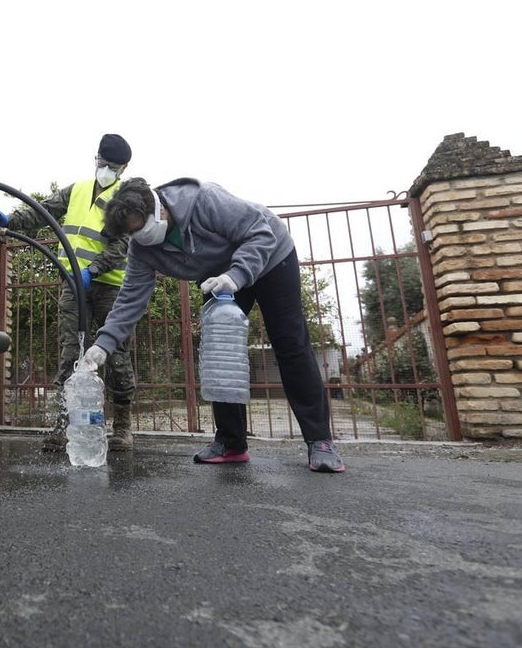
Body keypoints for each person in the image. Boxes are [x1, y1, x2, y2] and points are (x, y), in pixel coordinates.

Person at [79, 177, 346, 473]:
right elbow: (131, 298)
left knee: (290, 345)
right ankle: (231, 443)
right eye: (131, 233)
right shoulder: (142, 249)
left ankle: (320, 440)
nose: (138, 236)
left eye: (139, 227)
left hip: (270, 257)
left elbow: (261, 232)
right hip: (221, 276)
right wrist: (104, 343)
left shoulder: (204, 200)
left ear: (160, 210)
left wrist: (237, 275)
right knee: (220, 350)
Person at [0, 135, 137, 452]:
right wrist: (10, 219)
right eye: (103, 161)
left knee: (116, 354)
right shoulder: (77, 189)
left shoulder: (128, 199)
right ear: (95, 158)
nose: (106, 169)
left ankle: (122, 428)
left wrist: (92, 271)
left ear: (123, 168)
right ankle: (62, 426)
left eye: (114, 166)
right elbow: (44, 212)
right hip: (73, 285)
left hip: (110, 287)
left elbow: (121, 245)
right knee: (70, 353)